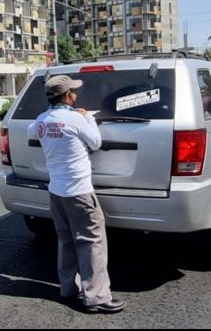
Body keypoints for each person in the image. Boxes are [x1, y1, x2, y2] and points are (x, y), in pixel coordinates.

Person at [26, 75, 125, 314]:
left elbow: (33, 130)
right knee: (92, 242)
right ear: (67, 96)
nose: (76, 95)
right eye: (73, 91)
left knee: (67, 240)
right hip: (79, 192)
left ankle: (69, 287)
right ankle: (97, 297)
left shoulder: (41, 120)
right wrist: (87, 118)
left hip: (57, 192)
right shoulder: (75, 119)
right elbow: (96, 142)